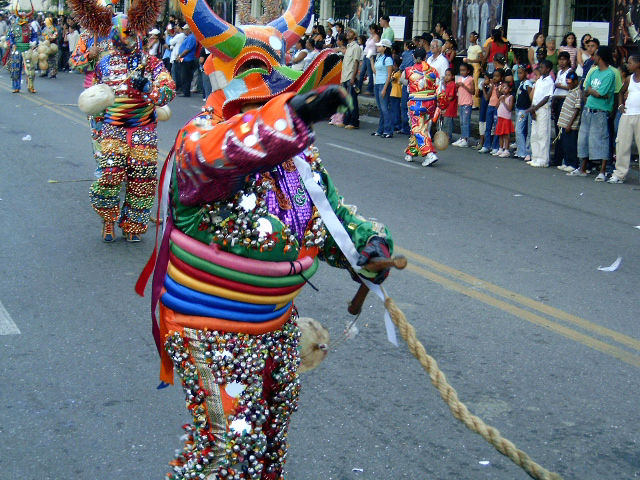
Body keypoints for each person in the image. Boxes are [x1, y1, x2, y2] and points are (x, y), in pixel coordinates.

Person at [135, 1, 396, 477]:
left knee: (272, 435)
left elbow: (330, 218)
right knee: (228, 446)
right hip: (211, 328)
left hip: (276, 323)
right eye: (268, 100)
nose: (273, 105)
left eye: (283, 96)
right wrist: (283, 122)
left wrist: (369, 246)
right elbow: (206, 160)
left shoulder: (299, 161)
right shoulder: (203, 140)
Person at [67, 1, 177, 241]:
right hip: (113, 130)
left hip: (143, 130)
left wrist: (148, 88)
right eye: (119, 34)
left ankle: (133, 227)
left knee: (142, 178)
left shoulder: (152, 63)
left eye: (128, 34)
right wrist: (98, 127)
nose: (124, 39)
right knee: (109, 175)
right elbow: (97, 98)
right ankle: (108, 221)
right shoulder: (104, 64)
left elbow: (168, 91)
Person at [568, 46, 616, 180]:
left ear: (600, 57)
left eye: (594, 55)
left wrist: (592, 92)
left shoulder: (610, 74)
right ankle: (582, 168)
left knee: (601, 141)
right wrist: (592, 92)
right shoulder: (593, 72)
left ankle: (602, 171)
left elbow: (602, 93)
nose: (592, 57)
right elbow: (585, 89)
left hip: (600, 112)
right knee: (583, 140)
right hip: (588, 109)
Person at [402, 47, 446, 166]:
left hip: (416, 104)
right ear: (426, 57)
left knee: (417, 128)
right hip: (430, 104)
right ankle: (412, 151)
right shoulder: (433, 71)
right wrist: (442, 105)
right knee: (423, 128)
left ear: (413, 57)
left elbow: (403, 82)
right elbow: (440, 89)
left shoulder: (408, 71)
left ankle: (429, 153)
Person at [610, 54, 640, 183]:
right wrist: (621, 105)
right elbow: (621, 92)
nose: (628, 65)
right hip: (627, 114)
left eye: (630, 63)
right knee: (622, 144)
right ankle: (619, 174)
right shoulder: (629, 79)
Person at [527, 61, 554, 167]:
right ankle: (535, 157)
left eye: (542, 67)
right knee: (535, 134)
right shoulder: (539, 81)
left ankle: (543, 159)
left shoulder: (549, 81)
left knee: (542, 134)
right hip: (535, 108)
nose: (541, 69)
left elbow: (547, 97)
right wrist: (532, 108)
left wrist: (536, 108)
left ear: (548, 69)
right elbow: (535, 96)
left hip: (543, 109)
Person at [6, 5, 37, 93]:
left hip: (27, 49)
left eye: (25, 17)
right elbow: (9, 37)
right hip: (17, 49)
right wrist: (12, 44)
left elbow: (34, 37)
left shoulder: (30, 27)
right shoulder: (14, 27)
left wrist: (33, 42)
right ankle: (16, 87)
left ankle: (31, 86)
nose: (24, 20)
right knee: (15, 69)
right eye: (21, 17)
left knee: (30, 70)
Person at [555, 71, 582, 172]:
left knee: (571, 145)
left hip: (570, 125)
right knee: (565, 144)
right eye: (568, 83)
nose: (569, 85)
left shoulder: (577, 92)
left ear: (575, 82)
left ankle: (573, 163)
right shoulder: (571, 91)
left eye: (570, 83)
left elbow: (577, 109)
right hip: (563, 123)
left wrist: (569, 124)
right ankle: (566, 162)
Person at [371, 38, 394, 138]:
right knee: (381, 108)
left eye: (380, 46)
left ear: (385, 48)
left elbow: (389, 75)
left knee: (385, 108)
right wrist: (371, 60)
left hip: (384, 84)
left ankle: (388, 130)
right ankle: (380, 130)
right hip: (378, 83)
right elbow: (375, 71)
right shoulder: (379, 57)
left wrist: (385, 88)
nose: (378, 47)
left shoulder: (388, 59)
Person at [479, 68, 503, 154]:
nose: (495, 78)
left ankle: (495, 146)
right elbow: (487, 97)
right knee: (488, 127)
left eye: (497, 76)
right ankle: (486, 145)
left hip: (497, 108)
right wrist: (488, 88)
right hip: (490, 106)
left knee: (496, 127)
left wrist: (496, 88)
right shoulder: (491, 86)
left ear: (501, 77)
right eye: (494, 76)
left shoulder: (501, 86)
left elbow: (499, 95)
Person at [342, 28, 361, 129]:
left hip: (350, 77)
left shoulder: (356, 47)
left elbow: (356, 63)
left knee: (352, 100)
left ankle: (354, 121)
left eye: (350, 32)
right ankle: (346, 120)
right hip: (345, 76)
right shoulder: (348, 47)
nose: (348, 34)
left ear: (354, 35)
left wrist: (353, 77)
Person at [514, 64, 533, 160]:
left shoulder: (527, 84)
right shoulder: (521, 84)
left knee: (519, 129)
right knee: (519, 129)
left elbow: (530, 97)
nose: (519, 75)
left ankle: (523, 152)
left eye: (521, 73)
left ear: (526, 73)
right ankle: (520, 150)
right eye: (518, 73)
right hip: (519, 108)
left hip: (524, 110)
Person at [453, 62, 474, 147]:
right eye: (461, 70)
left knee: (466, 121)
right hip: (461, 101)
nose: (462, 72)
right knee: (461, 121)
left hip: (467, 102)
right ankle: (462, 137)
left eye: (464, 70)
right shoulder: (460, 79)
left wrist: (464, 86)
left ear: (468, 71)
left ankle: (466, 139)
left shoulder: (470, 79)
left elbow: (473, 91)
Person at [398, 40, 415, 134]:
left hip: (406, 78)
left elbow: (402, 66)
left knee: (404, 104)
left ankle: (405, 127)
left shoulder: (405, 54)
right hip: (414, 80)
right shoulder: (414, 54)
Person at [359, 23, 380, 96]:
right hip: (366, 54)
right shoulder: (371, 37)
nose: (370, 30)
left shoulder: (376, 37)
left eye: (371, 29)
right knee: (362, 72)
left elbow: (377, 47)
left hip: (372, 55)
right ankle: (359, 87)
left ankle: (370, 89)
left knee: (370, 72)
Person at [464, 31, 483, 108]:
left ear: (475, 38)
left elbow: (480, 58)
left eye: (471, 36)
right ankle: (469, 100)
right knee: (469, 83)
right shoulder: (470, 47)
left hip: (475, 66)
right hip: (469, 66)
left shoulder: (478, 47)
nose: (470, 38)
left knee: (475, 83)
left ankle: (476, 103)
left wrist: (470, 61)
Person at [176, 24, 196, 97]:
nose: (184, 31)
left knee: (186, 76)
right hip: (184, 59)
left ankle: (186, 92)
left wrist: (180, 56)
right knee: (183, 75)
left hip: (187, 60)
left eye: (185, 29)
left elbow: (187, 49)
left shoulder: (191, 38)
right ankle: (184, 90)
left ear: (189, 30)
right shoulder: (188, 37)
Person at [495, 82, 514, 157]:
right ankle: (500, 148)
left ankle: (506, 150)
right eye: (502, 87)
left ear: (510, 89)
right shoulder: (501, 97)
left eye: (505, 88)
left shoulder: (510, 97)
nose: (503, 89)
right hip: (500, 117)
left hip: (506, 118)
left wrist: (503, 102)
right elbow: (496, 106)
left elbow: (509, 108)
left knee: (506, 134)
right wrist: (500, 100)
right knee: (500, 134)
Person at [442, 68, 457, 143]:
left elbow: (450, 97)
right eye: (446, 75)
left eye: (449, 75)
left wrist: (443, 99)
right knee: (445, 123)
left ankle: (448, 137)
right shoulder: (447, 84)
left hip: (450, 107)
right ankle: (445, 136)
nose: (446, 77)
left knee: (448, 123)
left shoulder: (452, 85)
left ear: (453, 76)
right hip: (446, 107)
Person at [169, 24, 185, 89]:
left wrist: (172, 36)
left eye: (177, 27)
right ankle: (179, 86)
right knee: (180, 70)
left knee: (175, 71)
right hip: (181, 56)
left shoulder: (179, 35)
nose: (176, 29)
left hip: (176, 56)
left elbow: (171, 42)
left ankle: (175, 86)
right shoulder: (184, 36)